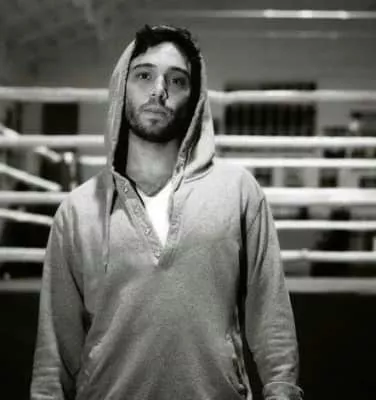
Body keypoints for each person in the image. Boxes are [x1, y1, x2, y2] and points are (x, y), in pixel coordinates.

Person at [31, 24, 303, 400]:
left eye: (176, 81)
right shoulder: (77, 210)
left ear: (194, 97)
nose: (159, 90)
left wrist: (283, 392)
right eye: (144, 75)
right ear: (121, 86)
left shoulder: (238, 190)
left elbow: (271, 319)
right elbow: (54, 355)